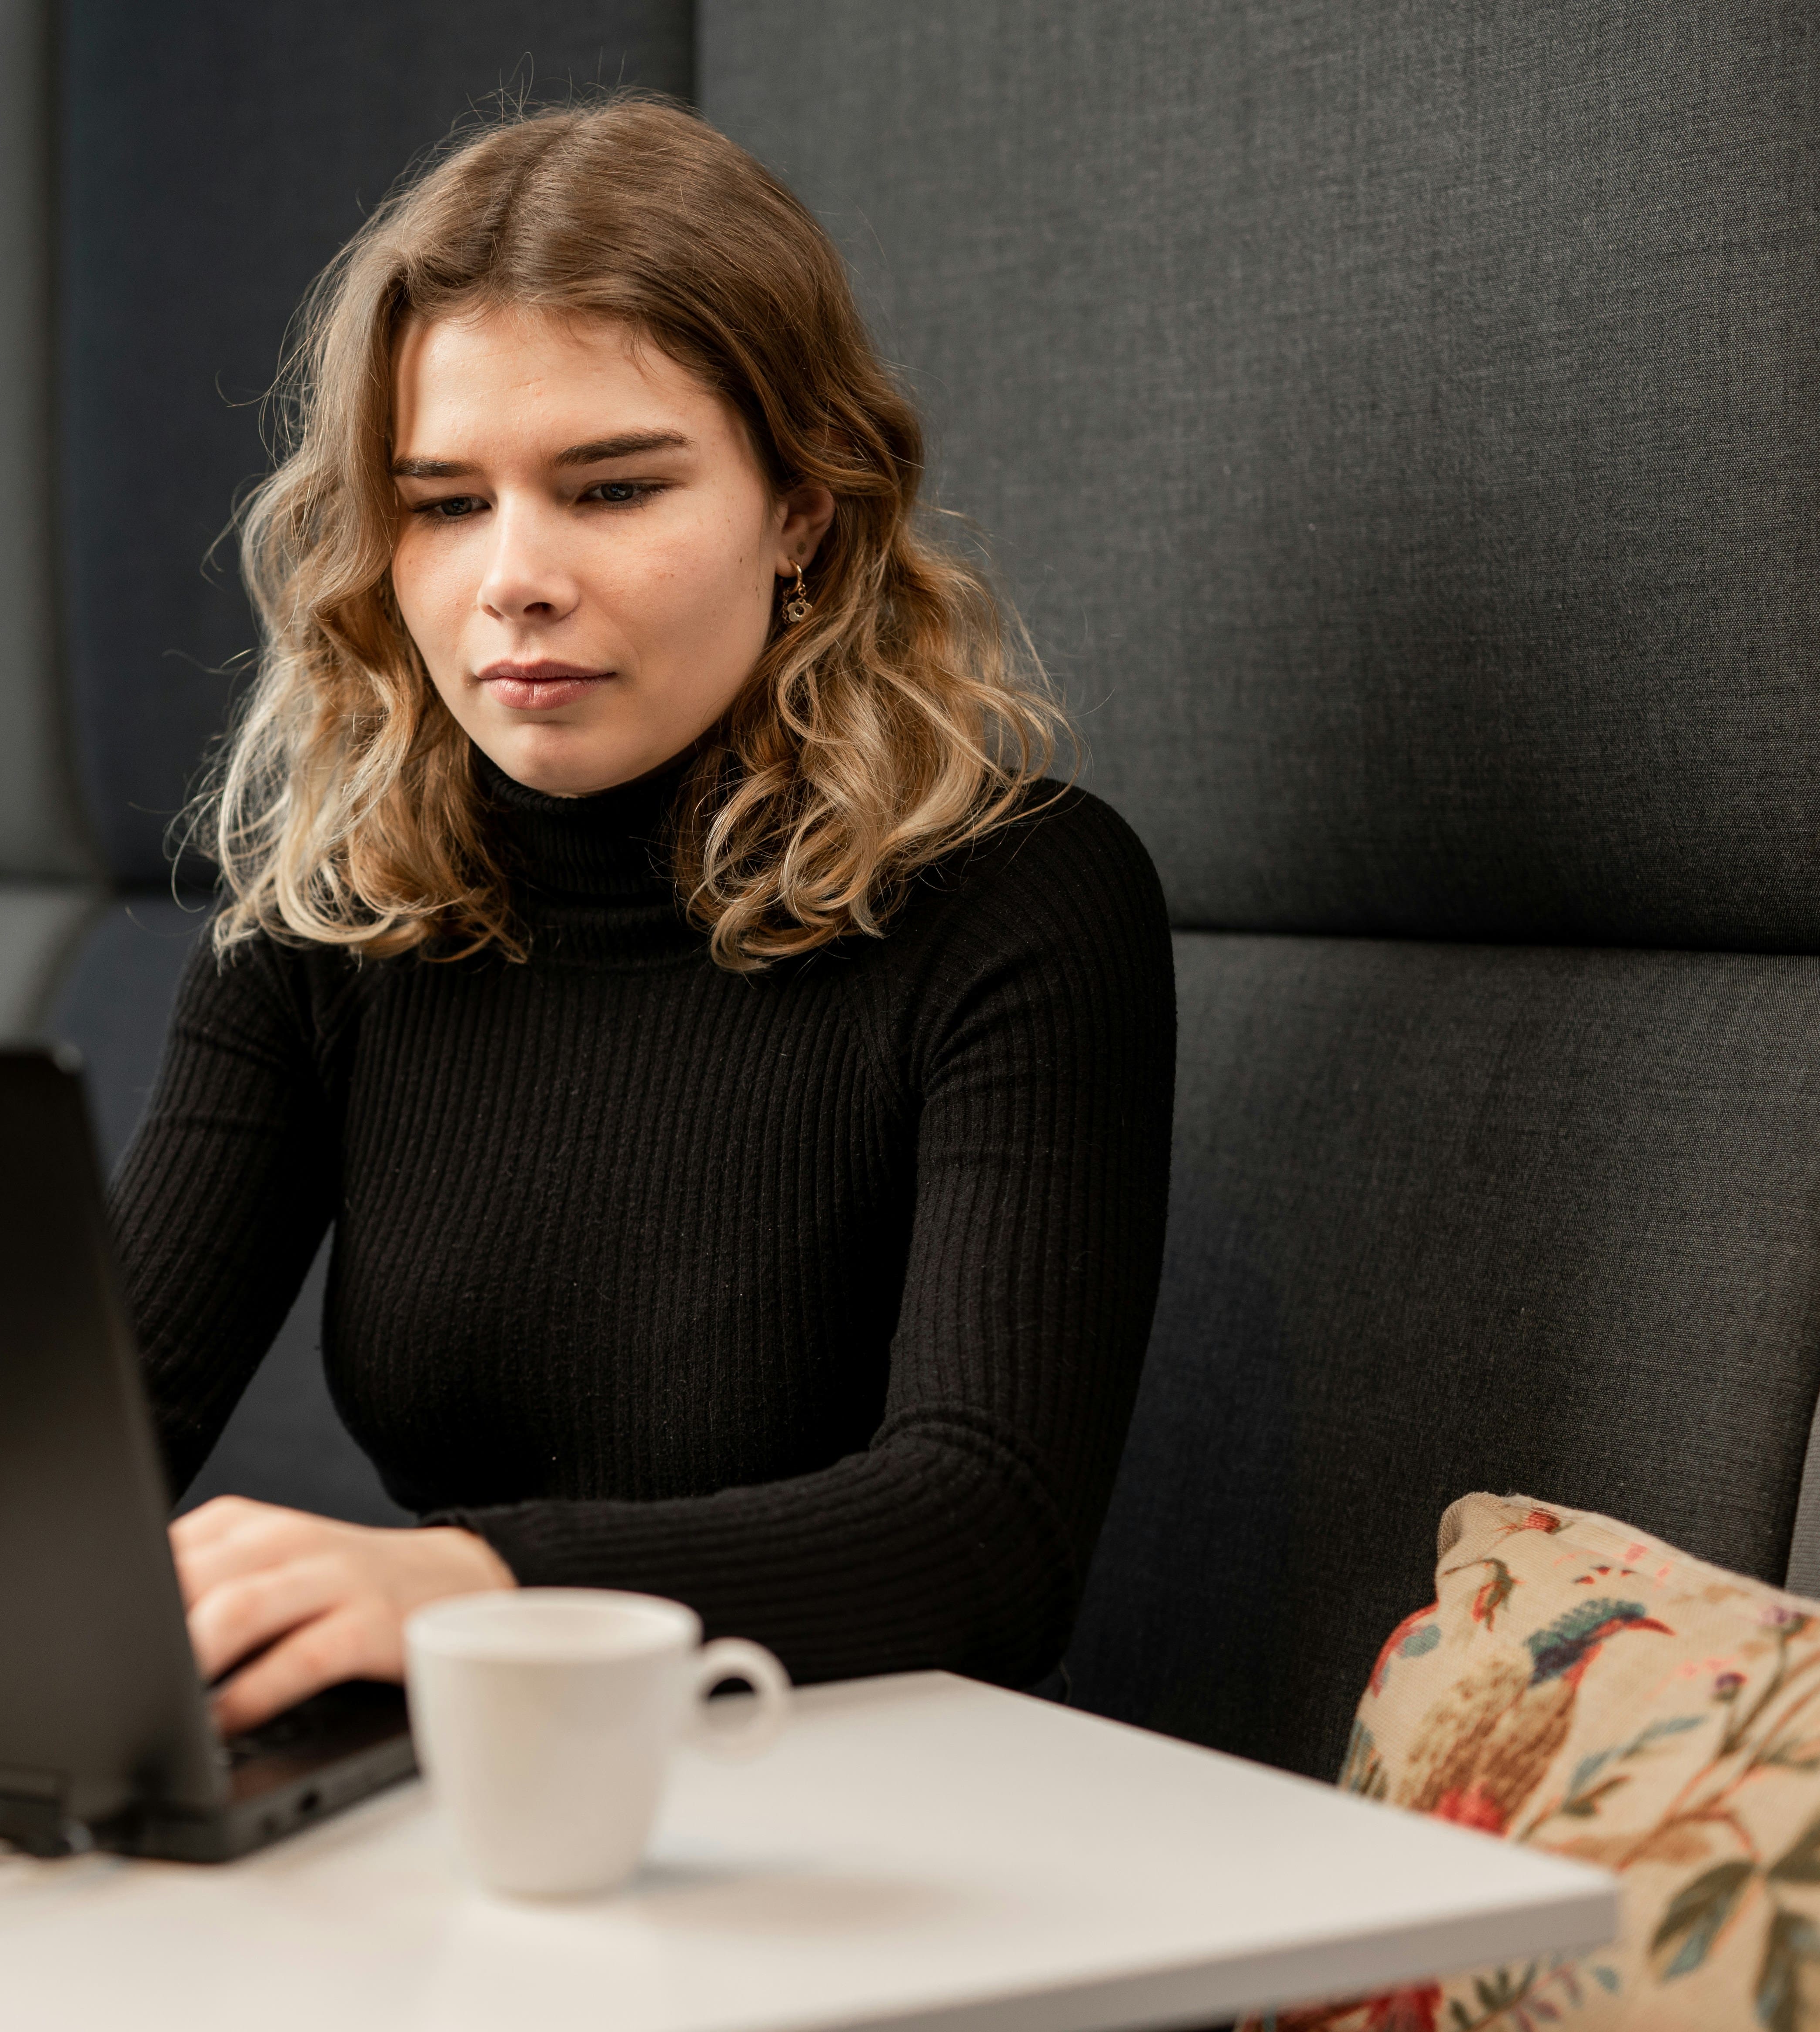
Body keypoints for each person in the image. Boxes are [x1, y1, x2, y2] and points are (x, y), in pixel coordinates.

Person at [113, 94, 1175, 1736]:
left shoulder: (1021, 897)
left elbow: (989, 1530)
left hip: (888, 1804)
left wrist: (464, 1584)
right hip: (488, 1784)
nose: (509, 579)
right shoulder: (328, 921)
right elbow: (97, 1436)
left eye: (609, 490)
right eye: (444, 501)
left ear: (803, 509)